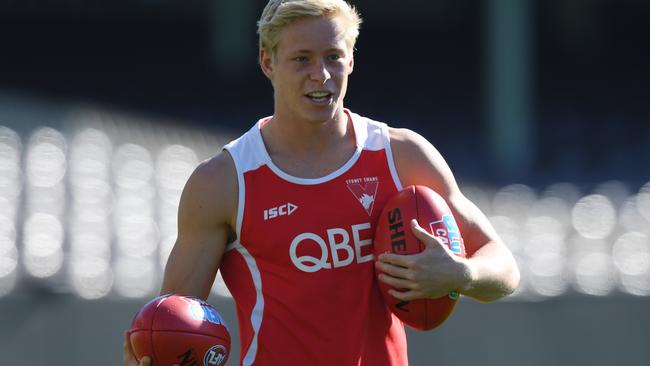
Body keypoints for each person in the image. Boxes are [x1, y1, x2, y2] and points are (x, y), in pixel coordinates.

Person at [123, 0, 520, 365]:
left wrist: (460, 275)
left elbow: (503, 267)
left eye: (333, 57)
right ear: (267, 62)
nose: (321, 74)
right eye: (301, 59)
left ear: (351, 61)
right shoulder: (224, 182)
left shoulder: (403, 155)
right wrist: (152, 349)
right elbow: (170, 324)